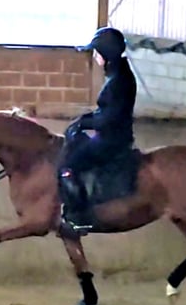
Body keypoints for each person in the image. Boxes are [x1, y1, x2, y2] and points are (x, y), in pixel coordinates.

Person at [59, 26, 137, 234]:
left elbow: (109, 118)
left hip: (112, 140)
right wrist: (84, 120)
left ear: (106, 54)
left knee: (68, 166)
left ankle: (79, 219)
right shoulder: (118, 75)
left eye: (96, 52)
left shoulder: (118, 81)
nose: (94, 56)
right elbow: (106, 112)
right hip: (112, 136)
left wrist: (84, 123)